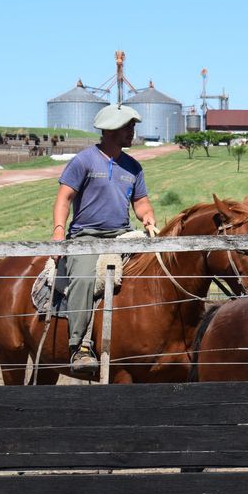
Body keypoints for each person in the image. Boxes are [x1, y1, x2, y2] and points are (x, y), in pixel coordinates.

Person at [52, 104, 156, 375]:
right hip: (86, 236)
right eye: (127, 127)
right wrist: (59, 231)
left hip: (122, 235)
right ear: (110, 130)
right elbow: (64, 198)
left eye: (133, 126)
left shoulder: (133, 166)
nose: (132, 132)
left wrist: (148, 218)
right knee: (84, 279)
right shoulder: (84, 160)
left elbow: (141, 203)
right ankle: (79, 347)